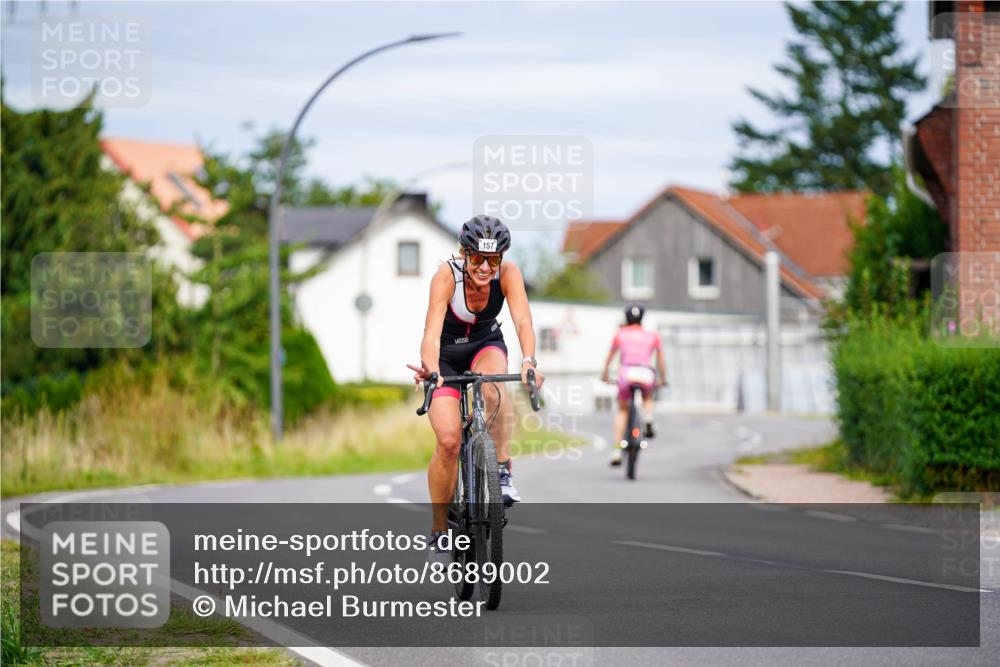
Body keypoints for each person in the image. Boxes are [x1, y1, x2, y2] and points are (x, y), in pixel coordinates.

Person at [407, 215, 545, 564]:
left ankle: (500, 469)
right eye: (477, 258)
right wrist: (432, 370)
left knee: (493, 389)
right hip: (447, 357)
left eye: (493, 259)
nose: (485, 267)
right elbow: (430, 333)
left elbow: (524, 320)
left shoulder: (508, 275)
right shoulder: (446, 277)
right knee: (449, 440)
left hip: (486, 345)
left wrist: (529, 360)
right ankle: (440, 527)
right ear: (463, 253)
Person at [600, 304, 667, 466]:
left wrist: (605, 374)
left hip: (626, 372)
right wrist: (662, 379)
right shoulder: (653, 335)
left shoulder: (620, 334)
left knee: (622, 410)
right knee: (648, 396)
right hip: (645, 373)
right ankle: (649, 417)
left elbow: (611, 355)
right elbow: (660, 359)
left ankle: (616, 450)